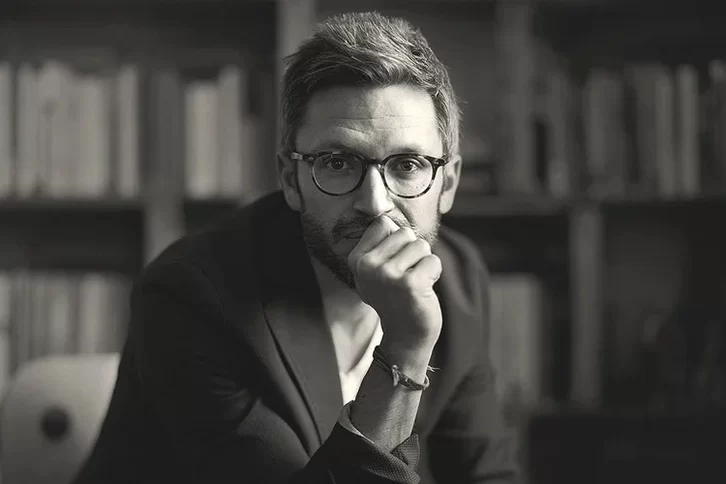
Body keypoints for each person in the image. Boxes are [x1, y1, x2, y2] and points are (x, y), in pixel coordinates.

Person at [73, 11, 520, 484]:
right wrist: (405, 349)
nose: (375, 202)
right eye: (337, 162)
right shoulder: (190, 297)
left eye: (407, 165)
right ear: (291, 179)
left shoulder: (459, 280)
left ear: (447, 184)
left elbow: (485, 474)